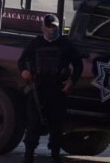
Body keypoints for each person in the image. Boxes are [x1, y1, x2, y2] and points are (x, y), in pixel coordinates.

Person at [18, 14, 83, 163]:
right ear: (43, 27)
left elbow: (78, 64)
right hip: (37, 89)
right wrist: (24, 71)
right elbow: (22, 60)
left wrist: (71, 81)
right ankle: (29, 155)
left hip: (57, 90)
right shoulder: (36, 43)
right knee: (33, 123)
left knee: (56, 124)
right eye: (48, 27)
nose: (51, 30)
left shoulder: (65, 44)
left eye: (54, 27)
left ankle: (55, 154)